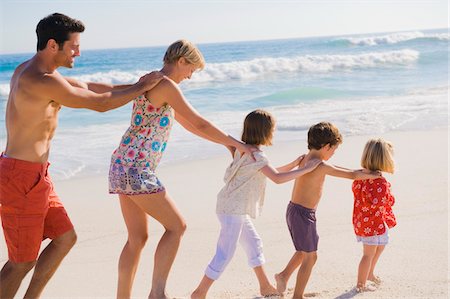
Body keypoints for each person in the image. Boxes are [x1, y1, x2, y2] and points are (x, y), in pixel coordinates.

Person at [0, 13, 163, 299]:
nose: (79, 51)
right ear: (53, 45)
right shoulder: (40, 79)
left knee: (64, 238)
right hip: (20, 177)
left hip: (36, 175)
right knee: (21, 261)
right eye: (74, 45)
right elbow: (99, 104)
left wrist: (138, 84)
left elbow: (89, 88)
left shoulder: (41, 72)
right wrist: (142, 88)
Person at [108, 39, 258, 299]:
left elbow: (189, 124)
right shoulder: (166, 85)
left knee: (137, 238)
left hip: (122, 164)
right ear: (181, 61)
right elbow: (199, 122)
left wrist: (226, 144)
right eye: (192, 69)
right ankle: (157, 294)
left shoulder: (152, 80)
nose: (190, 76)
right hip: (137, 170)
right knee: (177, 227)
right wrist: (236, 143)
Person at [191, 109, 321, 299]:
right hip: (232, 211)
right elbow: (276, 178)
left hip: (233, 208)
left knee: (254, 243)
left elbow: (269, 172)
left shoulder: (242, 150)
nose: (274, 133)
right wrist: (306, 169)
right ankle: (199, 293)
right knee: (225, 254)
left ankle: (265, 286)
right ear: (265, 132)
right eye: (273, 129)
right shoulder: (258, 157)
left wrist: (294, 165)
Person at [274, 122, 382, 299]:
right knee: (311, 257)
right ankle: (297, 296)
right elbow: (351, 175)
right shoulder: (321, 165)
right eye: (334, 150)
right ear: (326, 147)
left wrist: (363, 171)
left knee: (303, 251)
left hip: (294, 210)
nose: (333, 153)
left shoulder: (305, 158)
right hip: (303, 214)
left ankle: (283, 276)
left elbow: (348, 170)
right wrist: (371, 175)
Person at [352, 138, 396, 292]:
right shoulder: (379, 182)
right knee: (368, 254)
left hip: (366, 221)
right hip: (372, 223)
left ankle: (369, 273)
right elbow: (381, 202)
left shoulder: (360, 176)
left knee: (381, 245)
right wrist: (390, 197)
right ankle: (360, 284)